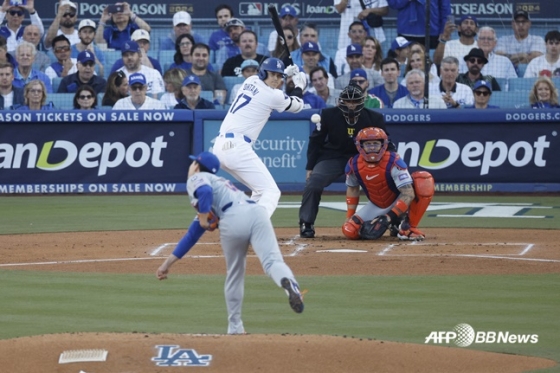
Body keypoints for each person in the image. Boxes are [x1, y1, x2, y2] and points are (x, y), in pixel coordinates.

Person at [156, 151, 304, 335]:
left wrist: (203, 218)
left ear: (196, 166)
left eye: (193, 163)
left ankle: (235, 327)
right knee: (273, 261)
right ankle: (290, 284)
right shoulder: (222, 185)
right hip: (257, 212)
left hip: (233, 218)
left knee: (235, 274)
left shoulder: (197, 178)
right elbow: (193, 234)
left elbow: (204, 193)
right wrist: (166, 264)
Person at [212, 58, 306, 218]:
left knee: (259, 191)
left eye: (279, 76)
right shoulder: (272, 95)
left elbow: (274, 88)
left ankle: (241, 223)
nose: (276, 79)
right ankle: (256, 227)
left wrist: (286, 75)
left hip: (220, 147)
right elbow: (297, 106)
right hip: (236, 147)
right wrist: (299, 86)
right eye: (272, 74)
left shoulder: (251, 80)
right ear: (263, 73)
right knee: (271, 191)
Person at [299, 83, 388, 238]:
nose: (351, 105)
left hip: (363, 159)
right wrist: (310, 167)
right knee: (314, 183)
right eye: (348, 101)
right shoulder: (327, 115)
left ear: (362, 101)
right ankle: (306, 223)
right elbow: (316, 141)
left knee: (385, 183)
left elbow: (386, 143)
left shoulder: (374, 118)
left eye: (354, 101)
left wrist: (390, 164)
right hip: (333, 157)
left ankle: (394, 221)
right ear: (341, 101)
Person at [342, 127, 434, 241]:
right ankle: (396, 224)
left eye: (375, 143)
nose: (372, 147)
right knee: (350, 231)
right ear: (360, 146)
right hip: (377, 204)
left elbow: (408, 193)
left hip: (398, 200)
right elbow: (353, 189)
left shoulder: (393, 160)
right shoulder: (353, 164)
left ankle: (408, 228)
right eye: (368, 144)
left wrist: (388, 217)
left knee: (423, 179)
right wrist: (349, 215)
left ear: (383, 145)